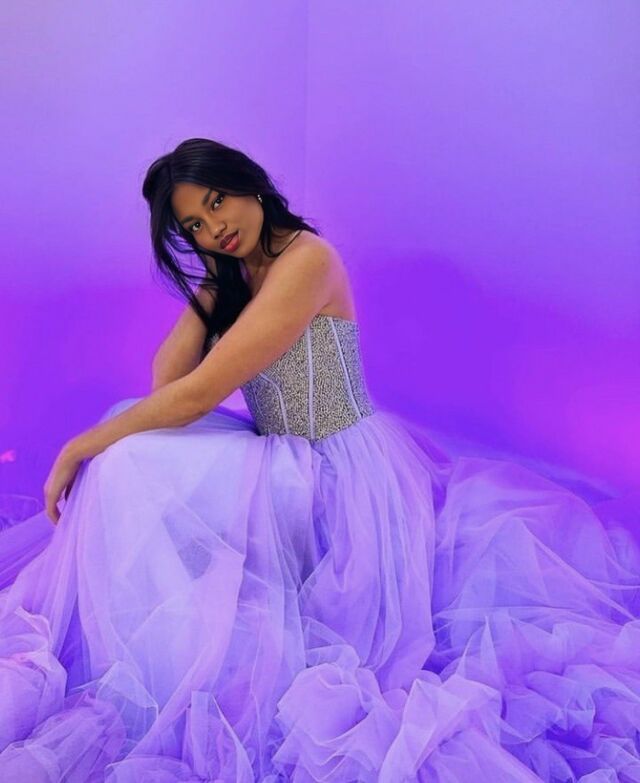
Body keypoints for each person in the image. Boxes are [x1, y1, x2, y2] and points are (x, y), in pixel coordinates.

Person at [0, 137, 639, 783]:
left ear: (248, 183)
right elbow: (166, 381)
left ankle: (182, 643)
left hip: (333, 465)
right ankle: (163, 639)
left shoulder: (307, 260)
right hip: (277, 452)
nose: (214, 227)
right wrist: (213, 285)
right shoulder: (237, 270)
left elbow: (193, 396)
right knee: (131, 440)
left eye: (217, 202)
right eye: (193, 225)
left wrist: (76, 446)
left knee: (122, 452)